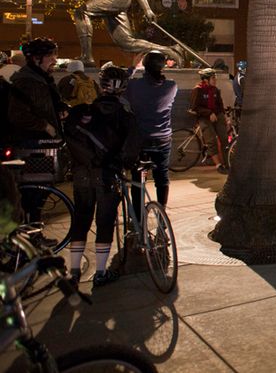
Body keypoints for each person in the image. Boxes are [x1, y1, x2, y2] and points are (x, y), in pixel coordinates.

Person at [64, 64, 140, 286]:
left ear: (100, 85)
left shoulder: (83, 112)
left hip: (82, 173)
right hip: (107, 175)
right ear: (123, 89)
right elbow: (131, 149)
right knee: (105, 222)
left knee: (81, 219)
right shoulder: (124, 116)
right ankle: (100, 272)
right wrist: (125, 164)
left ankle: (74, 271)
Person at [125, 50, 178, 207]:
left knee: (138, 178)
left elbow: (120, 84)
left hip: (141, 139)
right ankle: (162, 213)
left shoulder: (134, 86)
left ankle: (138, 217)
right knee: (162, 177)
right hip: (163, 138)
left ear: (145, 65)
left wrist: (132, 67)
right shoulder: (171, 86)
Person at [8, 38, 66, 142]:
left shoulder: (45, 79)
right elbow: (18, 115)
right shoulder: (25, 82)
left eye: (55, 56)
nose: (55, 60)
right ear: (36, 58)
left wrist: (61, 108)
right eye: (49, 56)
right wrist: (46, 126)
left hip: (47, 142)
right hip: (32, 144)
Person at [190, 68, 228, 173]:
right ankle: (218, 165)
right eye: (213, 78)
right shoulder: (198, 90)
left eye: (215, 77)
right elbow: (195, 107)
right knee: (211, 141)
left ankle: (227, 163)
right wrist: (209, 113)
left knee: (224, 139)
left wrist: (225, 117)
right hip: (204, 117)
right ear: (206, 80)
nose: (215, 80)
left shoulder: (215, 90)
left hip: (217, 115)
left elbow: (220, 105)